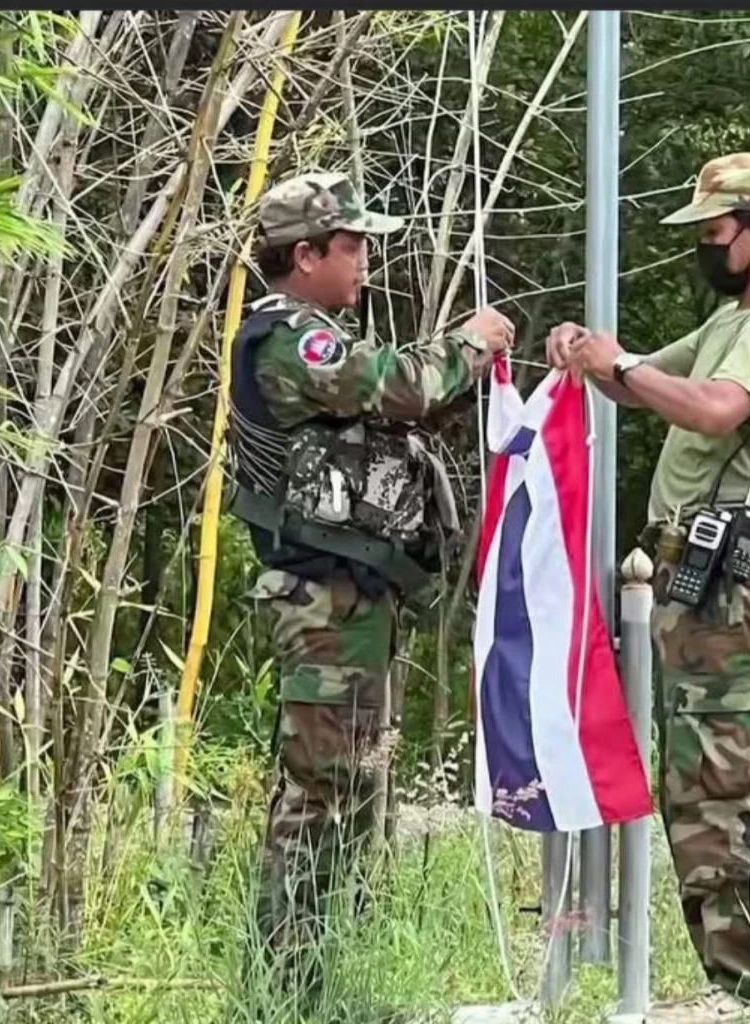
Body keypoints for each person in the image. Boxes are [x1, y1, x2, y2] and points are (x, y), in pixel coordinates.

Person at [545, 153, 750, 1023]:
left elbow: (709, 409)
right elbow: (640, 384)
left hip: (736, 586)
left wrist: (616, 365)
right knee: (695, 789)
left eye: (715, 231)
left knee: (730, 789)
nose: (704, 246)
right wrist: (586, 356)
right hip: (698, 587)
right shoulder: (730, 319)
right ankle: (729, 984)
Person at [227, 169, 514, 1005]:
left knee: (357, 792)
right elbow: (396, 384)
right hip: (323, 605)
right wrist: (473, 341)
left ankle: (335, 974)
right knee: (323, 794)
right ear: (305, 254)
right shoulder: (290, 338)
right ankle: (288, 987)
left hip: (353, 604)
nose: (363, 263)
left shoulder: (314, 334)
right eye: (351, 246)